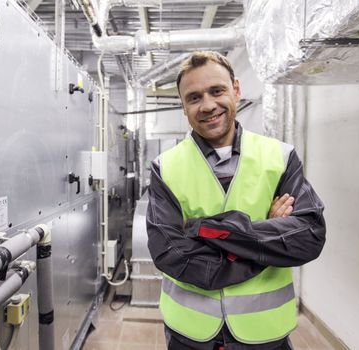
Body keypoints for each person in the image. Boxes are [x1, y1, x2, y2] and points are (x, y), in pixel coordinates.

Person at [146, 51, 326, 350]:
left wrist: (203, 229)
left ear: (236, 90)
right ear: (183, 106)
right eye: (194, 97)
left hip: (264, 333)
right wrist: (263, 243)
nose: (207, 105)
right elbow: (169, 253)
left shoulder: (279, 158)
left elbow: (308, 237)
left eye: (217, 91)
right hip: (190, 333)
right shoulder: (166, 167)